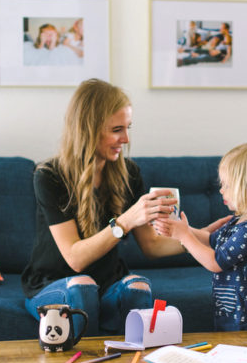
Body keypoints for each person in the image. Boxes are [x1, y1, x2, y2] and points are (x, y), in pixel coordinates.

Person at [22, 79, 230, 335]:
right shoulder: (50, 176)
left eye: (128, 127)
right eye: (117, 129)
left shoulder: (128, 174)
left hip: (107, 282)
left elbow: (151, 245)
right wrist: (126, 220)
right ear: (89, 129)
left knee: (136, 287)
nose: (126, 138)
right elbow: (75, 258)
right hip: (55, 283)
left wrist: (202, 236)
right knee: (81, 287)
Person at [154, 140, 247, 332]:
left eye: (227, 185)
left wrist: (184, 236)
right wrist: (180, 228)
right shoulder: (237, 222)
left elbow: (216, 262)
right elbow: (209, 239)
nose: (221, 190)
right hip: (231, 311)